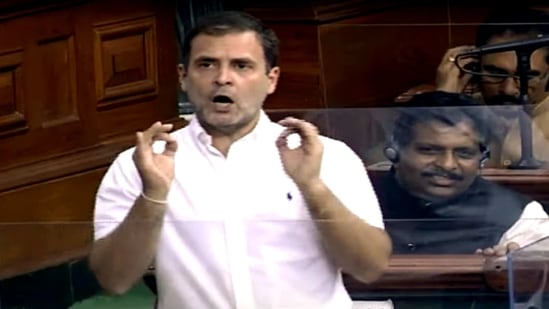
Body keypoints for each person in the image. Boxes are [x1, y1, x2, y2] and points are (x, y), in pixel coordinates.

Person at [89, 10, 391, 309]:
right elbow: (114, 280)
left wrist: (312, 187)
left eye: (241, 66)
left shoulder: (328, 156)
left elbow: (369, 267)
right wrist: (152, 196)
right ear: (183, 77)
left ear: (271, 79)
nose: (222, 79)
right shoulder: (140, 165)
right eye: (206, 64)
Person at [374, 91, 549, 255]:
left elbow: (536, 280)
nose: (447, 165)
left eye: (464, 153)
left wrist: (510, 269)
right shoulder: (357, 202)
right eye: (429, 150)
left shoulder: (520, 217)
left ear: (482, 157)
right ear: (395, 151)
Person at [435, 6, 549, 166]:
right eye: (495, 73)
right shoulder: (465, 112)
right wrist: (443, 99)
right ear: (475, 66)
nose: (508, 89)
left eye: (527, 76)